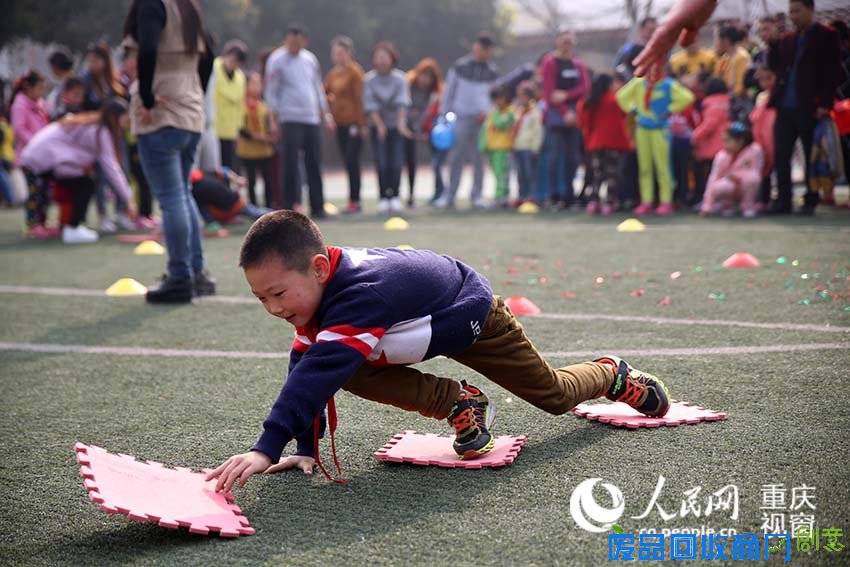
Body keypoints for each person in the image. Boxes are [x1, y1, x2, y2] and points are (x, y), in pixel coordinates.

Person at [205, 210, 672, 490]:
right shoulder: (318, 300)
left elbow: (315, 370)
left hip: (469, 316)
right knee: (342, 364)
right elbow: (305, 367)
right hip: (410, 327)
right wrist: (303, 446)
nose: (271, 307)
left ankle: (612, 373)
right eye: (261, 297)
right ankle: (461, 402)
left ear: (320, 268)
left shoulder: (360, 293)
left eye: (278, 293)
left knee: (551, 395)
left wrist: (265, 447)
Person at [123, 0, 217, 303]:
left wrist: (148, 98)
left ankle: (179, 277)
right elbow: (210, 54)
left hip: (162, 110)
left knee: (173, 198)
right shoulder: (189, 7)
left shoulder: (153, 4)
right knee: (182, 194)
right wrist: (194, 91)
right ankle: (196, 273)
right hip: (190, 110)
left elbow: (148, 48)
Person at [18, 98, 137, 243]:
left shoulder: (92, 124)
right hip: (38, 159)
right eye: (125, 117)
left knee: (69, 187)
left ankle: (65, 226)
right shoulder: (99, 130)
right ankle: (68, 228)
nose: (127, 122)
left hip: (40, 157)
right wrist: (129, 199)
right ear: (114, 117)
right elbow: (111, 167)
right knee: (81, 185)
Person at [768, 0, 841, 215]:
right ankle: (783, 200)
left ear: (811, 10)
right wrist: (772, 44)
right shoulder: (788, 39)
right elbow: (775, 66)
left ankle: (810, 199)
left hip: (810, 106)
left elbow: (832, 71)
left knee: (811, 154)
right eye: (791, 12)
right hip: (784, 106)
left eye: (797, 11)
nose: (793, 16)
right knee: (781, 154)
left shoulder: (827, 35)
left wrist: (825, 104)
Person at [264, 23, 332, 217]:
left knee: (314, 163)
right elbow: (272, 92)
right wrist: (273, 120)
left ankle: (318, 206)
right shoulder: (277, 60)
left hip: (311, 119)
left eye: (299, 41)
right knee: (290, 164)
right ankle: (289, 207)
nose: (295, 45)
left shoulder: (310, 59)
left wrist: (326, 115)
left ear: (304, 41)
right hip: (289, 118)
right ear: (285, 40)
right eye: (291, 41)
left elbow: (318, 88)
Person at [435, 32, 499, 209]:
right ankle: (449, 195)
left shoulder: (492, 72)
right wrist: (443, 116)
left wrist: (489, 113)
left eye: (487, 50)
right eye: (480, 47)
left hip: (482, 121)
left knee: (479, 159)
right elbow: (448, 94)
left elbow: (495, 98)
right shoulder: (459, 67)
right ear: (475, 47)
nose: (482, 52)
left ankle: (477, 195)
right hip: (460, 118)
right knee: (456, 158)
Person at [616, 72, 694, 215]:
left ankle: (666, 201)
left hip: (661, 129)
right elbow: (621, 96)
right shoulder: (638, 83)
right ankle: (647, 201)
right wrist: (633, 109)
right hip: (642, 128)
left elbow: (687, 97)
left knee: (663, 166)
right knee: (645, 167)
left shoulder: (668, 84)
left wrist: (670, 109)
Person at [539, 29, 590, 208]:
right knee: (553, 157)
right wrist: (564, 112)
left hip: (575, 115)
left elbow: (584, 88)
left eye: (570, 42)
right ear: (557, 42)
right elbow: (550, 93)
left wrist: (567, 97)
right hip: (556, 116)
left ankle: (569, 194)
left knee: (573, 158)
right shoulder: (550, 63)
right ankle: (553, 195)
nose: (566, 45)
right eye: (564, 41)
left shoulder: (578, 64)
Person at [364, 42, 413, 215]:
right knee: (382, 162)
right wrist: (379, 126)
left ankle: (395, 197)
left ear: (392, 59)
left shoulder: (401, 78)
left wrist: (400, 125)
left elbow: (402, 103)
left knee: (396, 163)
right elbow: (370, 106)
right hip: (378, 128)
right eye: (378, 57)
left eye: (385, 57)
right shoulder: (369, 80)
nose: (382, 60)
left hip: (396, 127)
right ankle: (384, 197)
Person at [577, 73, 633, 215]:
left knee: (597, 174)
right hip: (615, 143)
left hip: (596, 143)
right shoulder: (615, 100)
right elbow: (626, 114)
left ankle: (594, 202)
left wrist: (588, 142)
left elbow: (584, 123)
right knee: (612, 174)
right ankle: (609, 202)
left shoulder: (588, 101)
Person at [324, 35, 366, 213]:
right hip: (339, 123)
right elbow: (324, 93)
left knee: (352, 160)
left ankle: (355, 199)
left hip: (353, 124)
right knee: (346, 162)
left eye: (342, 52)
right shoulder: (333, 74)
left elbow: (360, 100)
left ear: (349, 53)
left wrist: (361, 124)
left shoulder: (355, 72)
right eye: (336, 53)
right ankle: (351, 199)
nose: (338, 56)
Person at [9, 70, 52, 237]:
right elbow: (19, 129)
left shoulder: (41, 105)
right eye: (40, 88)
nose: (42, 92)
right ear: (28, 87)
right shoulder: (19, 105)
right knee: (34, 192)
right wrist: (37, 143)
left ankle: (43, 221)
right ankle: (32, 224)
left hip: (44, 158)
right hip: (29, 158)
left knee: (45, 191)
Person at [700, 122, 764, 217]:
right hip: (730, 186)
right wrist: (707, 206)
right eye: (724, 140)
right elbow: (713, 178)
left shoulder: (755, 151)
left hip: (745, 185)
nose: (724, 144)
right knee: (722, 186)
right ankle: (727, 205)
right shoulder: (721, 156)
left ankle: (748, 206)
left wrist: (735, 176)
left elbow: (755, 172)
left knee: (752, 178)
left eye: (728, 140)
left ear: (740, 141)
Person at [405, 58, 443, 208]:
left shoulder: (435, 93)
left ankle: (438, 192)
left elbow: (429, 113)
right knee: (408, 161)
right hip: (406, 128)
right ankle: (409, 195)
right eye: (423, 75)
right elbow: (406, 109)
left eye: (429, 78)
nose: (425, 80)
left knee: (436, 162)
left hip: (428, 129)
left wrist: (423, 129)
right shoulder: (408, 84)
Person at [236, 71, 275, 208]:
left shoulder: (264, 105)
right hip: (248, 151)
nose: (257, 86)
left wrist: (272, 133)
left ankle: (269, 206)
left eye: (259, 83)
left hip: (264, 150)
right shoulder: (241, 105)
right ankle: (253, 207)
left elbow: (269, 126)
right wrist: (259, 137)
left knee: (268, 181)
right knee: (251, 181)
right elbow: (241, 129)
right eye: (253, 83)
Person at [691, 77, 730, 208]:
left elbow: (709, 124)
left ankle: (710, 201)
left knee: (710, 176)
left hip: (712, 148)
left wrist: (694, 136)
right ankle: (722, 201)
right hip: (728, 145)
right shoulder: (729, 101)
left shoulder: (711, 103)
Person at [190, 169, 271, 229]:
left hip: (230, 207)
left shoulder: (196, 190)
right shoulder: (202, 174)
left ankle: (278, 216)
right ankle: (277, 215)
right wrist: (237, 179)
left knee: (258, 214)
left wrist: (212, 225)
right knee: (257, 213)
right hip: (235, 200)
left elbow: (204, 210)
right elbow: (224, 171)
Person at [213, 40, 247, 171]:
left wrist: (239, 128)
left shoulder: (240, 77)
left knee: (229, 166)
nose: (234, 64)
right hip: (213, 127)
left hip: (230, 130)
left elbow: (240, 104)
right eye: (233, 60)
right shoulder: (213, 68)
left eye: (238, 62)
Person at [479, 85, 515, 208]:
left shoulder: (509, 112)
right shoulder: (493, 113)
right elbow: (486, 130)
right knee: (496, 173)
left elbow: (500, 124)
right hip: (492, 149)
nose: (497, 102)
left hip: (503, 148)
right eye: (495, 99)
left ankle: (502, 197)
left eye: (500, 98)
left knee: (502, 173)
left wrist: (494, 115)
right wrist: (483, 145)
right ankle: (499, 196)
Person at [511, 81, 543, 206]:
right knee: (520, 174)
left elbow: (537, 131)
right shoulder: (518, 111)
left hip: (529, 148)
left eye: (522, 96)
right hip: (518, 147)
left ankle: (532, 196)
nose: (520, 99)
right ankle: (521, 196)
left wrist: (535, 147)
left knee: (530, 174)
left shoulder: (534, 111)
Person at [749, 68, 777, 208]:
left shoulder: (778, 95)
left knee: (776, 165)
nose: (765, 82)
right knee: (764, 168)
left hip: (773, 136)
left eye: (768, 78)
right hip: (761, 137)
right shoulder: (761, 96)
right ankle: (763, 199)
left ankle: (777, 197)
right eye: (762, 79)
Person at [81, 42, 126, 111]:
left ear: (105, 61)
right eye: (89, 61)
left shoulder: (115, 78)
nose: (91, 64)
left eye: (95, 61)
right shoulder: (85, 79)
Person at [713, 25, 751, 99]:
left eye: (717, 40)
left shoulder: (742, 57)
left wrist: (727, 97)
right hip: (725, 98)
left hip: (737, 100)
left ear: (726, 41)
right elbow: (716, 78)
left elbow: (740, 86)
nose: (716, 44)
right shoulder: (725, 57)